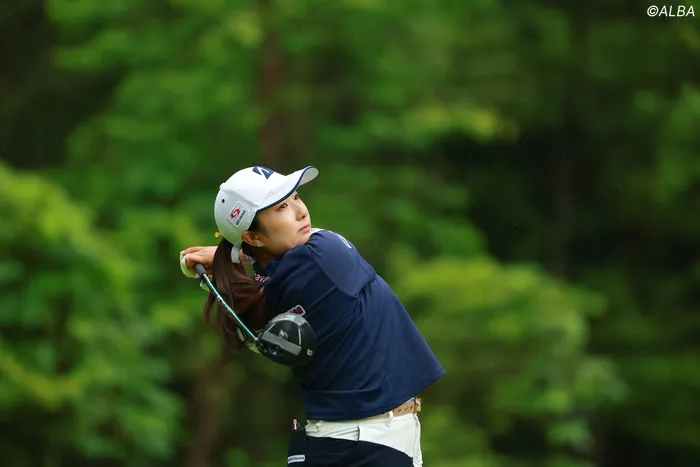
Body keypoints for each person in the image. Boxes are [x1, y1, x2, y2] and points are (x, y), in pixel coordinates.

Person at [180, 165, 445, 467]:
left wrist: (230, 257)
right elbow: (309, 242)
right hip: (369, 443)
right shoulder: (325, 254)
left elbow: (261, 273)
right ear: (252, 236)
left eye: (295, 197)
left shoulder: (264, 293)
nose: (301, 211)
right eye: (281, 207)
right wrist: (231, 255)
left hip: (337, 442)